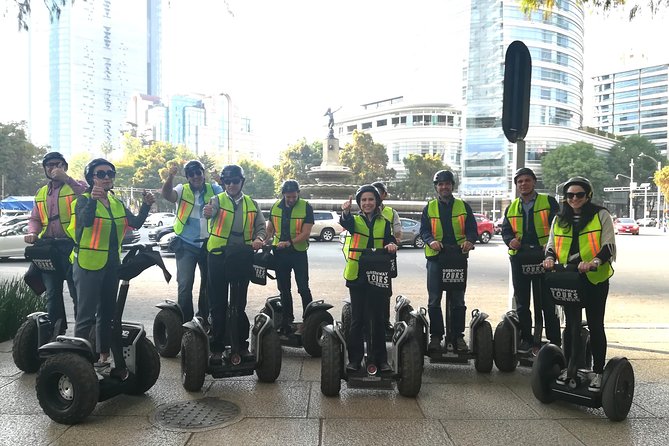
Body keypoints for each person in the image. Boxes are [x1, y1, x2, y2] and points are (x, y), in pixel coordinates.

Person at [70, 158, 154, 368]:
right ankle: (77, 361)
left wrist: (146, 205)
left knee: (107, 313)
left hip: (111, 265)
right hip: (87, 263)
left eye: (110, 173)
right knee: (85, 315)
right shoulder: (83, 200)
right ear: (91, 178)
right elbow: (85, 222)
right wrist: (92, 201)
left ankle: (103, 355)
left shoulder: (116, 203)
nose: (107, 177)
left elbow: (134, 223)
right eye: (101, 174)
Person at [543, 176, 616, 392]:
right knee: (572, 325)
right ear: (565, 198)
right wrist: (549, 259)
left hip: (594, 277)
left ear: (588, 196)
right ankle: (570, 368)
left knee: (595, 324)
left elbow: (609, 245)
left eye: (579, 195)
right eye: (570, 195)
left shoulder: (601, 215)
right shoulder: (559, 219)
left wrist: (594, 262)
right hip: (569, 277)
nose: (574, 198)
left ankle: (599, 371)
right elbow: (551, 245)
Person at [203, 164, 266, 361]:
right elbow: (209, 213)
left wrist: (259, 239)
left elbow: (261, 227)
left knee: (239, 304)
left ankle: (242, 345)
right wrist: (208, 211)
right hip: (218, 256)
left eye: (235, 181)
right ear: (223, 183)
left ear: (242, 182)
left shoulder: (251, 203)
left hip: (242, 256)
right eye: (227, 181)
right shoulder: (216, 200)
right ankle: (217, 347)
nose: (231, 185)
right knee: (218, 304)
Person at [25, 152, 87, 334]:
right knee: (52, 294)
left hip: (70, 246)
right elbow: (35, 218)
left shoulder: (76, 186)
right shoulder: (42, 193)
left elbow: (87, 197)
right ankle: (56, 332)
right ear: (45, 169)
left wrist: (67, 179)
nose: (53, 168)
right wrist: (32, 232)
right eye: (49, 165)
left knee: (77, 293)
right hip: (48, 248)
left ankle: (82, 334)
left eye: (57, 164)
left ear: (65, 167)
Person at [501, 167, 561, 354]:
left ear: (534, 182)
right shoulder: (512, 207)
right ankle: (526, 339)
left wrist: (550, 246)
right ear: (517, 186)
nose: (523, 184)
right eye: (520, 182)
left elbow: (559, 226)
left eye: (527, 180)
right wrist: (510, 240)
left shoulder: (548, 202)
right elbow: (506, 230)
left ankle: (553, 341)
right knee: (522, 303)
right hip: (520, 258)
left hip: (545, 257)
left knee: (547, 302)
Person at [340, 185, 397, 373]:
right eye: (363, 200)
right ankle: (355, 359)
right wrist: (346, 211)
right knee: (358, 319)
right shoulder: (355, 221)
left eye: (371, 199)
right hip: (357, 274)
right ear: (359, 203)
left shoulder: (385, 221)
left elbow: (391, 239)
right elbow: (346, 223)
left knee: (378, 319)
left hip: (378, 274)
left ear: (377, 202)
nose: (367, 203)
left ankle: (380, 359)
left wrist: (391, 245)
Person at [419, 170, 478, 352]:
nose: (444, 187)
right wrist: (431, 241)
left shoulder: (463, 206)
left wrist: (470, 240)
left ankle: (457, 337)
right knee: (434, 299)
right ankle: (436, 337)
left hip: (457, 258)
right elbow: (424, 231)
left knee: (458, 299)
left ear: (452, 185)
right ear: (436, 187)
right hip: (436, 258)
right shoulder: (429, 208)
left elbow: (472, 230)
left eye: (447, 183)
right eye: (440, 184)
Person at [161, 160, 223, 324]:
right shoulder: (182, 189)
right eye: (191, 174)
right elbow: (167, 195)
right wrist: (170, 177)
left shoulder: (214, 189)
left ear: (203, 173)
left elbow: (229, 197)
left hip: (208, 244)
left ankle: (203, 317)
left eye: (198, 173)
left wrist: (221, 181)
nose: (196, 176)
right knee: (185, 284)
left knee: (208, 284)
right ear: (187, 177)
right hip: (186, 244)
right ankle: (185, 322)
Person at [264, 179, 315, 337]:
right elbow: (270, 230)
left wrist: (289, 242)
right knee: (284, 289)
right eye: (288, 197)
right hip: (280, 253)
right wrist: (264, 241)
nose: (292, 200)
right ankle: (287, 320)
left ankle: (309, 320)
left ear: (298, 194)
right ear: (283, 195)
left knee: (303, 288)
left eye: (294, 196)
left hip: (298, 252)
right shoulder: (275, 207)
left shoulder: (306, 206)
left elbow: (306, 232)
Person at [371, 181, 402, 333]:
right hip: (369, 256)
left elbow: (397, 234)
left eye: (378, 193)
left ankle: (384, 321)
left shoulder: (391, 212)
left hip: (386, 256)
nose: (374, 197)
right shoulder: (365, 210)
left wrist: (392, 242)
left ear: (384, 195)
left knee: (385, 289)